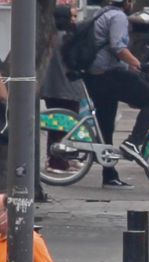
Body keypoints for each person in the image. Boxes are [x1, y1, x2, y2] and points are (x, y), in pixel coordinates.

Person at [82, 0, 149, 189]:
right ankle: (133, 143)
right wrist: (138, 64)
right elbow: (118, 47)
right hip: (109, 75)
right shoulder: (117, 17)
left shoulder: (101, 13)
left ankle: (109, 175)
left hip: (94, 76)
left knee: (106, 126)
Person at [42, 3, 89, 179]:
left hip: (52, 87)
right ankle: (56, 160)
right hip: (67, 88)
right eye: (72, 17)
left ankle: (60, 158)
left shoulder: (50, 37)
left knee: (57, 125)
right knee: (64, 126)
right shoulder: (68, 38)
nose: (74, 20)